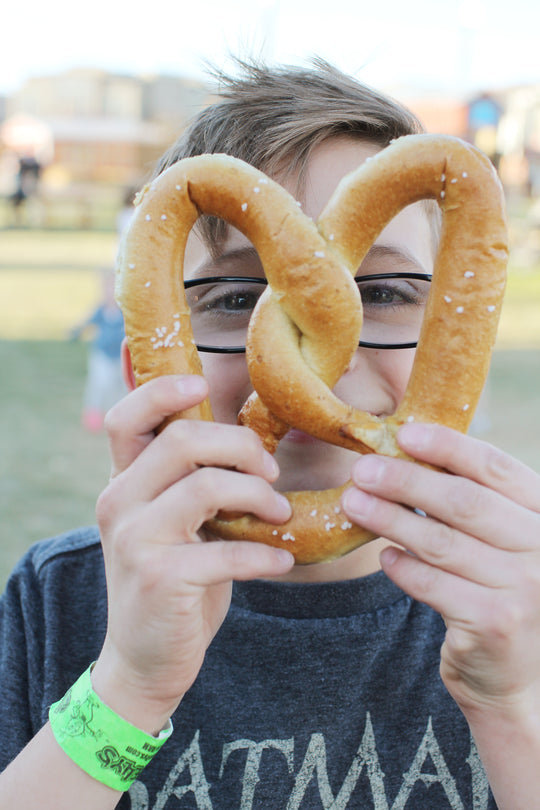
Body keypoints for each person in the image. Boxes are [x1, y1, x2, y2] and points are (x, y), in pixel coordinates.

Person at [1, 58, 539, 810]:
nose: (320, 374)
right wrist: (128, 685)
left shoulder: (524, 606)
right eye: (233, 298)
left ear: (461, 347)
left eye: (381, 293)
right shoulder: (58, 603)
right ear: (145, 366)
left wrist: (516, 709)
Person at [69, 269, 127, 432]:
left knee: (120, 386)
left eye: (116, 287)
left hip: (120, 357)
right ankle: (93, 414)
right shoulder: (101, 310)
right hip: (102, 356)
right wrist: (77, 332)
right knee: (100, 383)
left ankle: (116, 414)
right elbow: (88, 323)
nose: (112, 292)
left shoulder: (125, 312)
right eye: (108, 288)